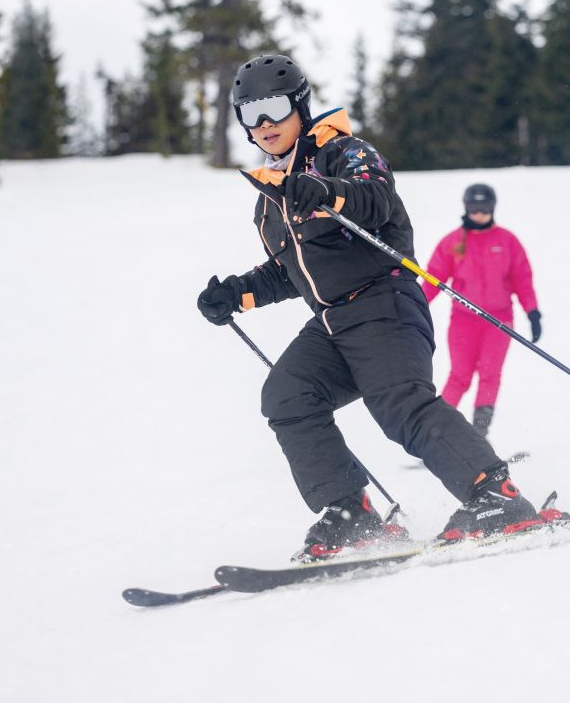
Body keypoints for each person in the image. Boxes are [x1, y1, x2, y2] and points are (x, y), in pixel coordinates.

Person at [196, 53, 549, 561]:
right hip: (332, 322)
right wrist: (237, 293)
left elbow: (374, 199)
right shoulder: (270, 197)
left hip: (385, 301)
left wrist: (320, 190)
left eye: (274, 107)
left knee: (398, 403)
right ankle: (350, 513)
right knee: (288, 394)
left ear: (300, 105)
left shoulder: (345, 153)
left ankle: (495, 495)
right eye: (251, 114)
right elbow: (290, 270)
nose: (265, 124)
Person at [421, 184, 541, 439]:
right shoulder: (453, 242)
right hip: (463, 321)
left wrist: (532, 311)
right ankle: (437, 436)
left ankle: (479, 434)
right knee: (459, 376)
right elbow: (433, 278)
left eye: (484, 208)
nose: (479, 214)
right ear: (465, 208)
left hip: (499, 322)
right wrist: (416, 306)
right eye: (474, 208)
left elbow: (523, 279)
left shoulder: (507, 241)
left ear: (492, 208)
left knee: (490, 374)